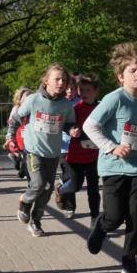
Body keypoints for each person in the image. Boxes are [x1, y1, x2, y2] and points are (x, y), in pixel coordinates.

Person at [83, 43, 137, 273]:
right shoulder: (115, 99)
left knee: (136, 218)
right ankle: (101, 227)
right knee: (114, 217)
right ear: (121, 77)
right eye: (132, 70)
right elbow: (90, 125)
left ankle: (129, 262)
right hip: (113, 167)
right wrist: (113, 147)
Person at [14, 64, 77, 237]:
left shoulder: (66, 104)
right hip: (34, 151)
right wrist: (11, 137)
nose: (61, 82)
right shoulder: (34, 99)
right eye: (57, 79)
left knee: (48, 189)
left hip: (53, 153)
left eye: (64, 80)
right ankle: (25, 202)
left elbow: (69, 123)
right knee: (39, 183)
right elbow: (17, 117)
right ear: (46, 80)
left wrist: (72, 130)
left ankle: (36, 221)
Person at [57, 73, 101, 221]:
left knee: (93, 189)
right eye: (81, 90)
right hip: (76, 156)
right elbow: (65, 125)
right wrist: (72, 130)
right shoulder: (75, 108)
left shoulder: (101, 108)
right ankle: (60, 189)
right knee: (75, 186)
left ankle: (95, 218)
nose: (84, 93)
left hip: (94, 156)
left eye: (88, 90)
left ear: (96, 91)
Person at [4, 87, 32, 179]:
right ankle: (19, 164)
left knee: (25, 155)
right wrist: (10, 137)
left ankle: (22, 168)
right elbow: (12, 123)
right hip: (19, 135)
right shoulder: (17, 109)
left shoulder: (32, 109)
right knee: (22, 154)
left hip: (28, 138)